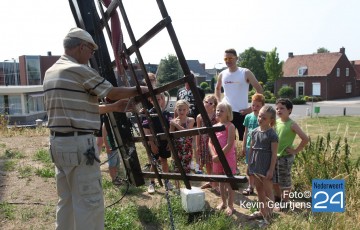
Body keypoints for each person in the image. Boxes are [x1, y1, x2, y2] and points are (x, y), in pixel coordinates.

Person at [43, 27, 147, 230]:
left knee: (67, 201)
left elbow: (77, 109)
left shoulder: (52, 72)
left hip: (58, 143)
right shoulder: (78, 70)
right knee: (90, 203)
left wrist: (113, 108)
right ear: (82, 46)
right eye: (91, 50)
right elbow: (112, 91)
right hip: (80, 144)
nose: (91, 55)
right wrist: (140, 90)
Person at [215, 48, 263, 142]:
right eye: (226, 59)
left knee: (244, 140)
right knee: (227, 141)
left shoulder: (245, 72)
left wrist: (251, 108)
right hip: (227, 112)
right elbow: (217, 89)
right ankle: (229, 157)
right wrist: (219, 102)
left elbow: (259, 90)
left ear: (236, 58)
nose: (228, 61)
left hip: (242, 112)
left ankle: (242, 156)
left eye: (230, 58)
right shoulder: (222, 74)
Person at [273, 98, 309, 204]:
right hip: (275, 156)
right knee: (274, 179)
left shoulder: (292, 124)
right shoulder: (275, 122)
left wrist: (295, 150)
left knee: (284, 180)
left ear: (289, 110)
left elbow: (305, 139)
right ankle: (277, 197)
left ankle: (285, 201)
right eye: (277, 108)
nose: (279, 110)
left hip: (285, 157)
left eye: (282, 108)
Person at [247, 105, 278, 224]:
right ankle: (262, 211)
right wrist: (249, 165)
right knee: (259, 189)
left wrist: (271, 170)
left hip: (266, 168)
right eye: (259, 116)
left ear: (271, 120)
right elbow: (251, 149)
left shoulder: (272, 135)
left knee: (268, 191)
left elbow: (274, 154)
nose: (260, 119)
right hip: (256, 166)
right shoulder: (254, 132)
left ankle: (269, 217)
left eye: (264, 118)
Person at [209, 101, 237, 216]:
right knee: (220, 181)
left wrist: (220, 155)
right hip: (217, 158)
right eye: (217, 110)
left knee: (229, 182)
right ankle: (223, 202)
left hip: (227, 158)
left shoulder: (230, 126)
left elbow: (230, 144)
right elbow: (210, 142)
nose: (218, 112)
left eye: (222, 110)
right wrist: (213, 156)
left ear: (228, 113)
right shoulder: (214, 127)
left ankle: (231, 205)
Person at [142, 93, 173, 194]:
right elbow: (146, 129)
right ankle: (152, 183)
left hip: (164, 141)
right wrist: (152, 143)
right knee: (153, 162)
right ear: (151, 101)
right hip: (155, 141)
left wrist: (169, 141)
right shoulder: (149, 113)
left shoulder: (166, 113)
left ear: (162, 100)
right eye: (154, 99)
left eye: (159, 99)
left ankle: (166, 180)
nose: (157, 101)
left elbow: (170, 127)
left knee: (164, 161)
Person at [176, 75, 205, 173]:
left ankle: (198, 165)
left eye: (191, 79)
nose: (188, 82)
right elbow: (177, 106)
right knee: (185, 143)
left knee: (195, 144)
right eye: (186, 79)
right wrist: (176, 119)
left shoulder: (199, 90)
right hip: (182, 122)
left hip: (195, 121)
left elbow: (201, 106)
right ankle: (190, 163)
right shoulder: (180, 91)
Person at [241, 93, 265, 196]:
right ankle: (250, 187)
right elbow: (245, 132)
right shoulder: (248, 117)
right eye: (253, 105)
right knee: (249, 167)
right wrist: (243, 145)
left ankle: (261, 188)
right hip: (248, 146)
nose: (254, 107)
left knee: (259, 168)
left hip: (259, 147)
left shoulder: (263, 118)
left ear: (262, 106)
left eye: (257, 106)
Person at [170, 99, 195, 191]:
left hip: (187, 147)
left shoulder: (191, 120)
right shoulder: (173, 121)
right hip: (177, 147)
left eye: (184, 109)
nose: (182, 112)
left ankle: (188, 187)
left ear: (187, 110)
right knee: (176, 166)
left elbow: (187, 132)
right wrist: (172, 125)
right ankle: (177, 188)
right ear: (176, 110)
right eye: (179, 109)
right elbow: (171, 134)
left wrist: (176, 125)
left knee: (187, 167)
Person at [196, 94, 218, 189]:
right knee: (207, 163)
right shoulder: (199, 116)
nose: (207, 104)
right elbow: (198, 131)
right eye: (206, 102)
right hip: (203, 142)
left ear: (214, 105)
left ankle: (216, 183)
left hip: (213, 143)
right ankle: (210, 181)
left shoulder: (217, 116)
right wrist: (197, 145)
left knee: (214, 163)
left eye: (210, 103)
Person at [96, 117, 122, 186]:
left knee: (117, 163)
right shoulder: (105, 124)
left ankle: (116, 177)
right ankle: (113, 179)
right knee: (112, 164)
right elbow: (104, 137)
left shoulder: (115, 122)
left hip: (116, 147)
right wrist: (107, 147)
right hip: (111, 147)